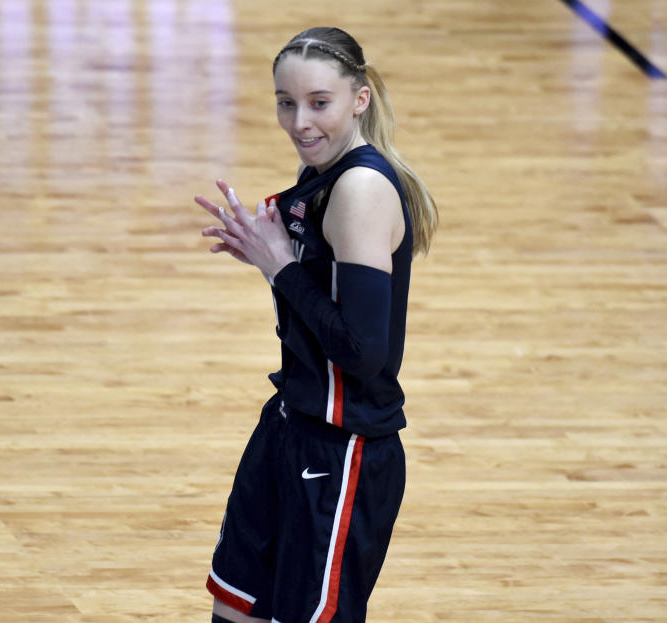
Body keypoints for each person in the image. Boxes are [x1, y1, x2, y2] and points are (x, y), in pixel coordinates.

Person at [195, 26, 438, 623]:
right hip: (289, 427)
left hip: (342, 448)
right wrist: (268, 254)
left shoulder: (359, 188)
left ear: (360, 99)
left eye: (318, 103)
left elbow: (362, 353)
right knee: (235, 610)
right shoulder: (319, 179)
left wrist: (278, 267)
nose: (300, 121)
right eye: (286, 103)